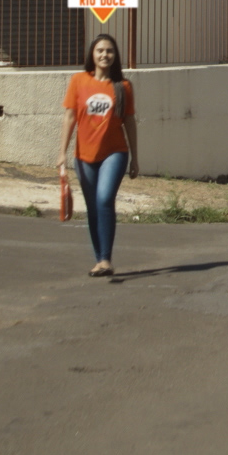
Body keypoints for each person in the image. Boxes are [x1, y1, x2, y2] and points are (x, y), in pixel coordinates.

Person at [60, 33, 139, 277]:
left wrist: (135, 157)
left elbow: (129, 122)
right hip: (84, 156)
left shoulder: (123, 87)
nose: (105, 54)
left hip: (114, 153)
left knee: (104, 199)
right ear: (92, 55)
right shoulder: (78, 81)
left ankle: (106, 260)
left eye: (110, 51)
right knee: (93, 207)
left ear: (115, 57)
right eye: (100, 50)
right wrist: (61, 154)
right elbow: (70, 116)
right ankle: (99, 260)